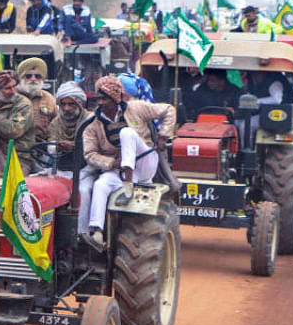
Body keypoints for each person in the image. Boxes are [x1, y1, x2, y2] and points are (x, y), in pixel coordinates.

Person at [78, 76, 176, 249]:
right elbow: (90, 154)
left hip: (145, 162)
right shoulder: (92, 124)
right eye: (98, 99)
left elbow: (169, 110)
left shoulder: (137, 108)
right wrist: (111, 163)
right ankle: (97, 231)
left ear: (116, 99)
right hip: (118, 170)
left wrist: (163, 135)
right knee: (100, 184)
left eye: (104, 99)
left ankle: (129, 183)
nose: (100, 103)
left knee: (127, 134)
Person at [49, 82, 91, 178]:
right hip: (62, 167)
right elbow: (50, 147)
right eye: (63, 104)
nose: (66, 108)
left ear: (80, 104)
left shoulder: (90, 120)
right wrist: (58, 147)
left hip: (87, 169)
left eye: (71, 104)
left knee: (83, 190)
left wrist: (74, 146)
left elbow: (93, 148)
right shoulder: (56, 122)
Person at [16, 57, 58, 146]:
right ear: (21, 78)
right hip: (16, 148)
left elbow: (57, 124)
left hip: (41, 147)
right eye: (28, 76)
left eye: (38, 76)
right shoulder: (11, 95)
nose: (33, 79)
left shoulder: (48, 98)